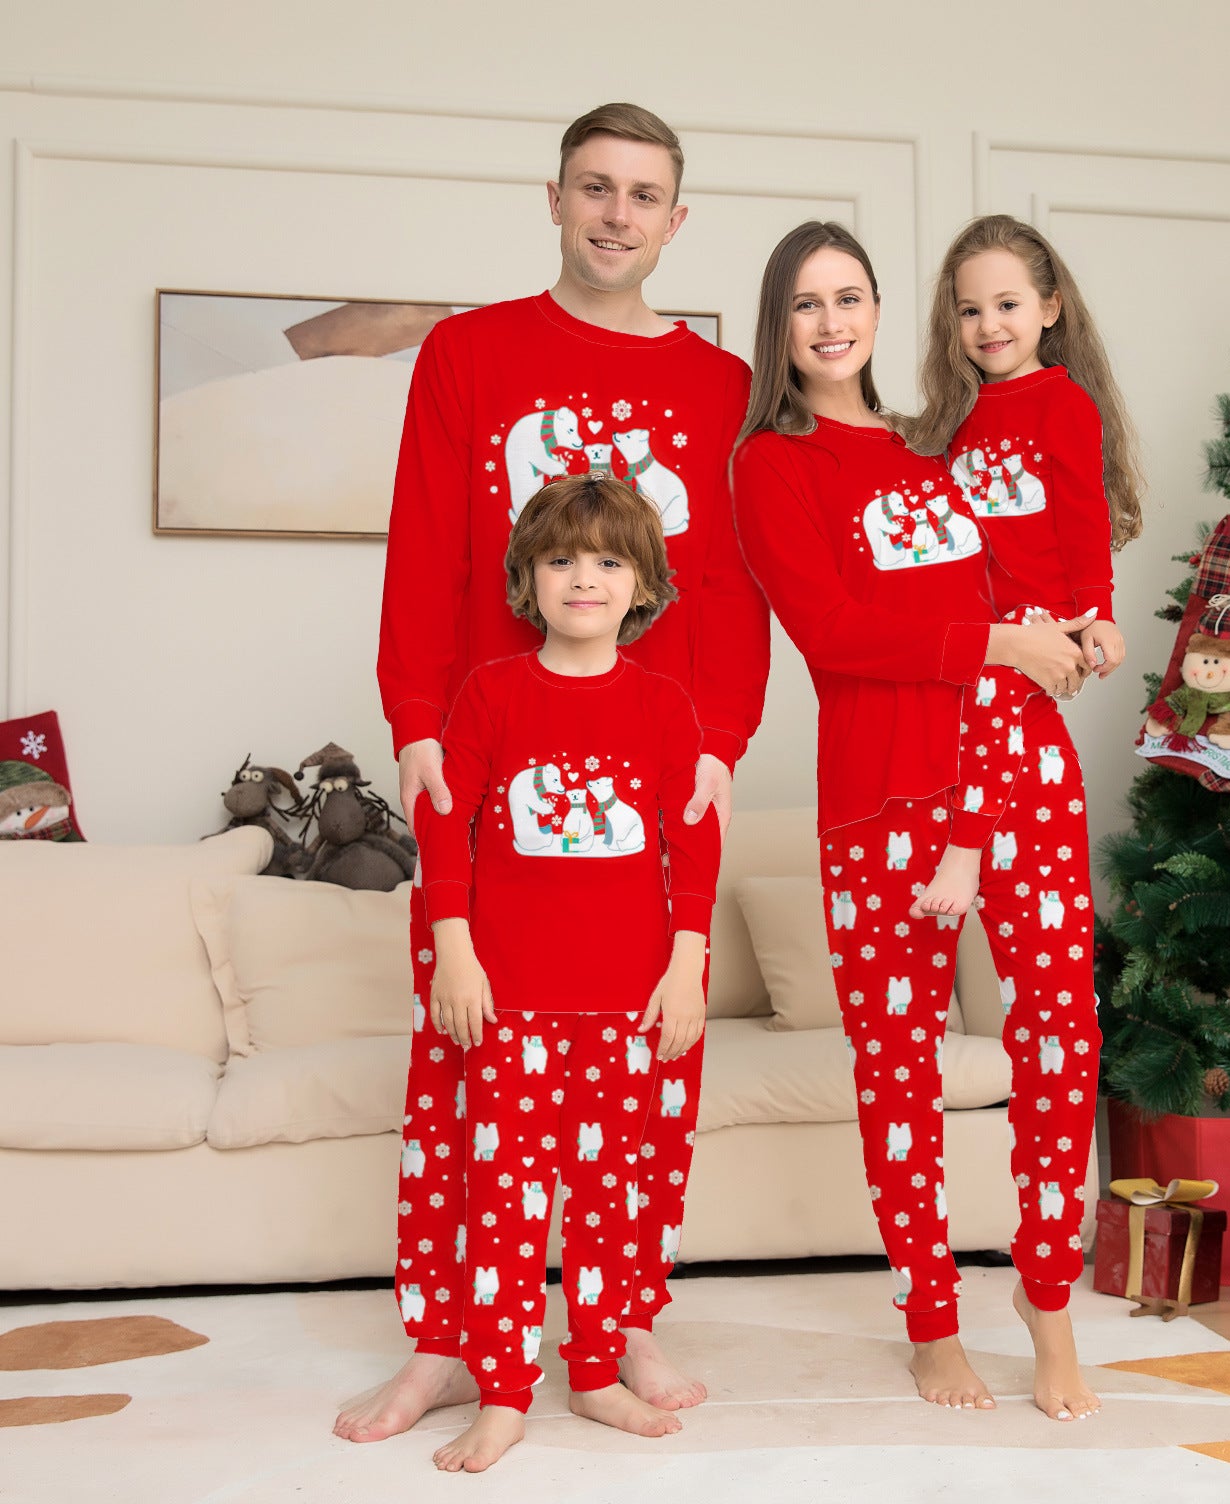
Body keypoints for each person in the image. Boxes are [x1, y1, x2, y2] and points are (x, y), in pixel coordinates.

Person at [340, 101, 769, 1445]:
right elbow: (424, 550)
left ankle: (617, 1322)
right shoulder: (468, 354)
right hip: (479, 767)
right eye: (595, 186)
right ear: (554, 197)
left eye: (644, 194)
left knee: (641, 1083)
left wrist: (718, 742)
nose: (616, 213)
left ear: (675, 221)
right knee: (463, 1082)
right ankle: (445, 1341)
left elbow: (735, 589)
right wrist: (415, 722)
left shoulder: (718, 390)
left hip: (648, 783)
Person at [732, 221, 1102, 1421]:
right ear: (777, 326)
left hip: (1020, 775)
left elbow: (1028, 561)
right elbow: (835, 635)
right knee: (897, 1070)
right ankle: (930, 1318)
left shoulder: (931, 445)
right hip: (886, 799)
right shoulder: (771, 465)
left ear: (890, 313)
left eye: (851, 297)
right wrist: (1002, 640)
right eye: (805, 304)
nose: (831, 322)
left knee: (1061, 1041)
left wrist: (1082, 623)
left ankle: (1048, 1302)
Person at [417, 473, 721, 1472]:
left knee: (612, 1202)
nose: (582, 578)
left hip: (630, 1007)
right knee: (503, 1202)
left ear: (641, 584)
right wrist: (455, 950)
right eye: (559, 559)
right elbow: (447, 825)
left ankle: (592, 1373)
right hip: (512, 1006)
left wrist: (688, 964)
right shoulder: (492, 694)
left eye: (606, 560)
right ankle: (504, 1392)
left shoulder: (664, 705)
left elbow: (694, 844)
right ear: (527, 578)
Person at [909, 213, 1145, 920]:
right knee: (974, 707)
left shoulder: (1063, 403)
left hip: (1040, 612)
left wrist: (1097, 612)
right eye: (970, 311)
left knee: (992, 694)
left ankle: (966, 850)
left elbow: (1082, 513)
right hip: (972, 615)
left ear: (1049, 308)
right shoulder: (956, 414)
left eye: (1007, 306)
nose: (989, 326)